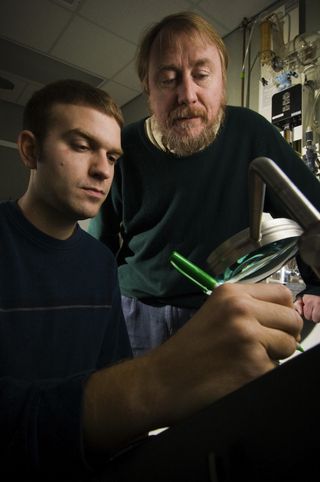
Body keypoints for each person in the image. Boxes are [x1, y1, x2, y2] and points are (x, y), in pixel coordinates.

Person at [0, 79, 305, 480]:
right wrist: (157, 380)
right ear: (29, 149)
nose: (101, 170)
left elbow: (113, 371)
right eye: (81, 145)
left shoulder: (100, 263)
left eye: (112, 157)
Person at [88, 11, 320, 357]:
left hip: (223, 311)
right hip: (134, 313)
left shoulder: (251, 133)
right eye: (168, 79)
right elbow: (100, 244)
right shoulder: (123, 146)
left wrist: (316, 284)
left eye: (201, 75)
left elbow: (311, 215)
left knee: (222, 412)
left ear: (222, 81)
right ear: (147, 87)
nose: (187, 94)